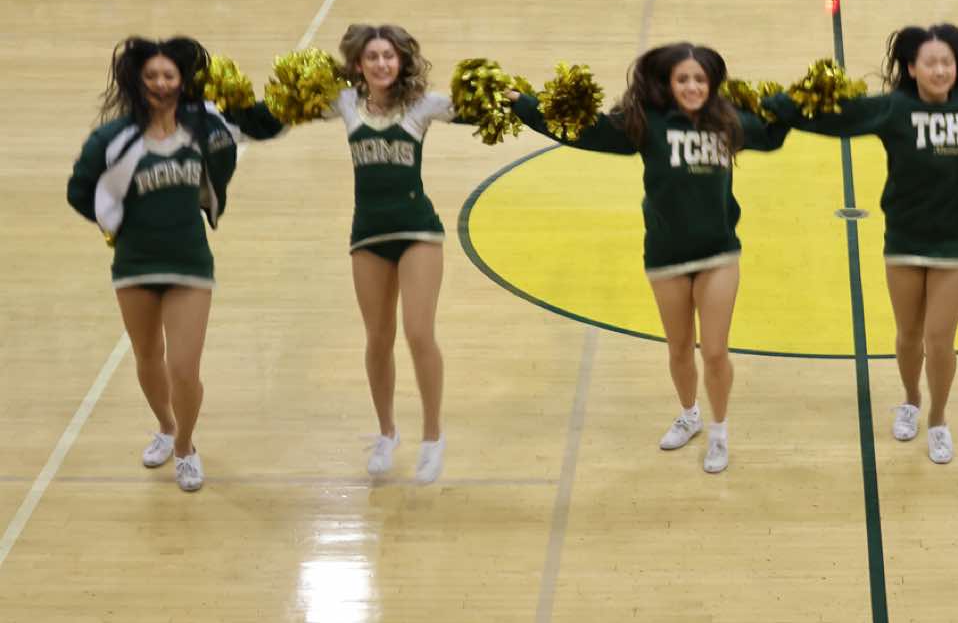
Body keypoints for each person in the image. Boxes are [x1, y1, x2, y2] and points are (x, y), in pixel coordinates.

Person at [769, 27, 958, 464]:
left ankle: (937, 419)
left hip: (956, 244)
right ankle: (911, 399)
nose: (940, 70)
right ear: (912, 68)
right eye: (930, 63)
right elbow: (828, 119)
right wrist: (775, 108)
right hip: (903, 240)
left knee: (938, 340)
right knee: (907, 336)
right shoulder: (894, 109)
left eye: (947, 62)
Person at [509, 43, 790, 473]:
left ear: (712, 84)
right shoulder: (647, 123)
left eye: (700, 79)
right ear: (667, 84)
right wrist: (525, 106)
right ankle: (690, 415)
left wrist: (796, 105)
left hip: (718, 253)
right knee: (679, 349)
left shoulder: (729, 121)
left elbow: (770, 136)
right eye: (683, 79)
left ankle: (719, 431)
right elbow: (585, 131)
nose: (692, 87)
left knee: (715, 351)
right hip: (665, 255)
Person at [231, 25, 461, 482]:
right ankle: (387, 433)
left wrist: (510, 99)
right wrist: (235, 124)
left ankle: (433, 437)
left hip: (418, 231)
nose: (381, 64)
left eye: (389, 56)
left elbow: (475, 110)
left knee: (419, 334)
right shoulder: (345, 104)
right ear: (358, 64)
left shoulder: (423, 105)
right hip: (368, 235)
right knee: (378, 338)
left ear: (401, 61)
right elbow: (285, 114)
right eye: (372, 57)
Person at [66, 36, 239, 494]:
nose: (161, 83)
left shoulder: (201, 129)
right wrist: (112, 221)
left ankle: (184, 446)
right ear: (137, 83)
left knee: (184, 368)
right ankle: (165, 424)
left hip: (189, 263)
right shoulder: (113, 138)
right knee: (147, 355)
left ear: (182, 81)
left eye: (168, 75)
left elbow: (226, 157)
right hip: (135, 264)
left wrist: (210, 200)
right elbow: (79, 190)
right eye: (151, 76)